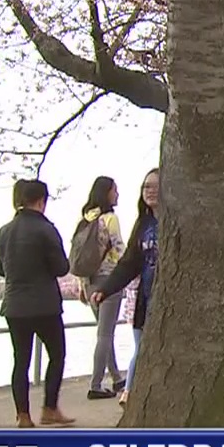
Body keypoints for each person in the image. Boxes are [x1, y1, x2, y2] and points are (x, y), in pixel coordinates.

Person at [0, 178, 75, 428]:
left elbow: (0, 269)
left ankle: (23, 415)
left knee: (21, 360)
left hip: (15, 304)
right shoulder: (46, 229)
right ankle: (50, 408)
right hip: (44, 304)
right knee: (57, 354)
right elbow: (62, 267)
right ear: (41, 201)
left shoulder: (4, 232)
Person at [90, 168, 160, 409]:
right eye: (146, 186)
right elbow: (129, 262)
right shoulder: (143, 225)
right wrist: (106, 289)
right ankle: (130, 391)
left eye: (155, 186)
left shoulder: (175, 223)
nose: (150, 191)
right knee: (140, 347)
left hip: (169, 302)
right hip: (146, 296)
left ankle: (131, 391)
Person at [74, 176, 127, 400]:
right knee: (105, 334)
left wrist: (81, 285)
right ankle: (95, 384)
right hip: (109, 281)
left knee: (104, 332)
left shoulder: (85, 220)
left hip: (89, 282)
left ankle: (116, 378)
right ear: (107, 193)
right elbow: (119, 248)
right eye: (115, 190)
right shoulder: (110, 219)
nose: (117, 194)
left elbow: (80, 256)